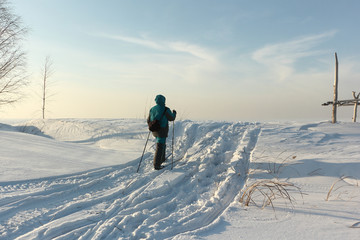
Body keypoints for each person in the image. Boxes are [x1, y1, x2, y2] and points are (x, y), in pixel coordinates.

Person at [147, 94, 176, 170]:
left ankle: (162, 159)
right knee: (160, 146)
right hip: (162, 130)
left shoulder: (152, 109)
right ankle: (157, 165)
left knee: (162, 144)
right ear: (163, 100)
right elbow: (171, 118)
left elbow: (148, 120)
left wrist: (154, 125)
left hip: (154, 130)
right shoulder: (166, 109)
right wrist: (174, 113)